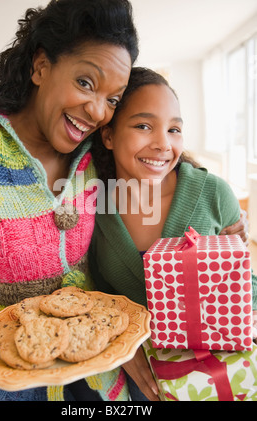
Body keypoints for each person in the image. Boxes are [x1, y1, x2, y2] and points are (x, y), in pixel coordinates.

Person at [0, 0, 139, 401]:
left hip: (105, 385)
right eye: (86, 83)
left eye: (113, 99)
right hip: (7, 389)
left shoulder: (97, 154)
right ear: (41, 66)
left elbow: (157, 168)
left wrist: (220, 213)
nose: (97, 112)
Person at [89, 67, 257, 400]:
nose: (163, 144)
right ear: (108, 135)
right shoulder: (91, 205)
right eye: (143, 126)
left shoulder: (214, 194)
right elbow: (93, 291)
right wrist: (119, 346)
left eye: (174, 129)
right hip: (131, 377)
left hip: (212, 376)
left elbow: (245, 286)